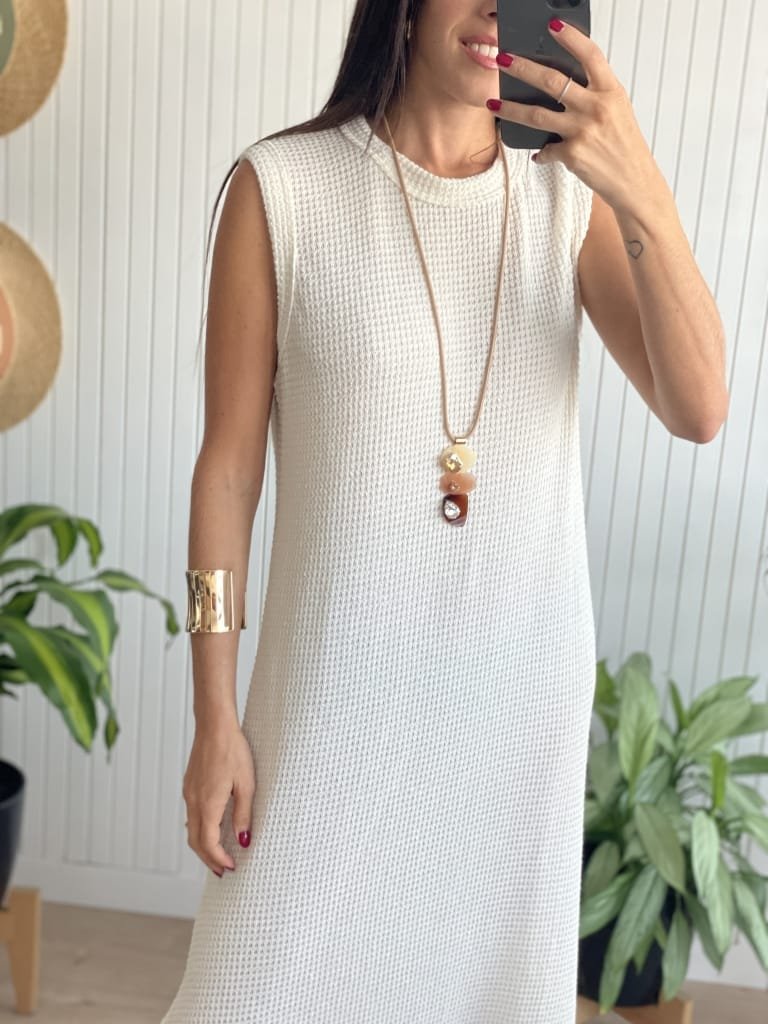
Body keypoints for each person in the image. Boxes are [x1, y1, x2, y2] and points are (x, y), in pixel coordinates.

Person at [161, 1, 728, 1021]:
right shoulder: (282, 189)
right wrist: (214, 714)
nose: (494, 9)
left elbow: (700, 409)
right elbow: (228, 470)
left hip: (516, 714)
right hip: (332, 702)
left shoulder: (569, 201)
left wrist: (637, 182)